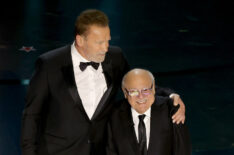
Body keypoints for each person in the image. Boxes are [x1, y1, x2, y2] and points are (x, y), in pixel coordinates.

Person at [21, 9, 186, 155]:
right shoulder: (49, 64)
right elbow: (31, 114)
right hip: (58, 151)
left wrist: (171, 95)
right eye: (99, 42)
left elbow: (136, 84)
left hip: (100, 150)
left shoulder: (116, 57)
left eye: (108, 40)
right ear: (80, 40)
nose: (106, 48)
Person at [106, 68, 191, 155]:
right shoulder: (113, 115)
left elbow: (182, 150)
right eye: (133, 92)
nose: (141, 96)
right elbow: (110, 151)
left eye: (145, 90)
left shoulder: (171, 110)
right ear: (125, 93)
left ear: (153, 88)